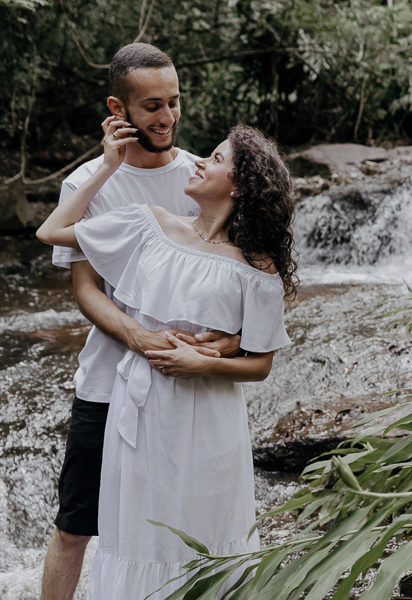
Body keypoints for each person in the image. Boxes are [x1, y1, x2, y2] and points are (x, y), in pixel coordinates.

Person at [37, 118, 296, 598]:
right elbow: (52, 230)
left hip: (211, 419)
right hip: (139, 413)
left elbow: (260, 364)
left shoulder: (256, 268)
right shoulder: (150, 223)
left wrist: (206, 364)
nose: (199, 160)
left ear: (239, 187)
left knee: (205, 534)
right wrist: (109, 164)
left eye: (216, 159)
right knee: (138, 536)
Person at [41, 43, 241, 600]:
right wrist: (141, 338)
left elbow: (240, 278)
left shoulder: (203, 177)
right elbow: (86, 291)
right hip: (108, 383)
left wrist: (229, 342)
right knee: (76, 528)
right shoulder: (86, 185)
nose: (168, 117)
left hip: (182, 389)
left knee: (173, 531)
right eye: (152, 106)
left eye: (174, 101)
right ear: (118, 108)